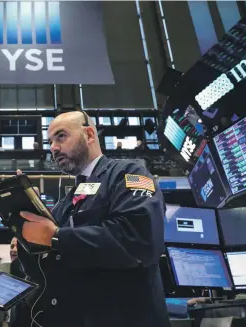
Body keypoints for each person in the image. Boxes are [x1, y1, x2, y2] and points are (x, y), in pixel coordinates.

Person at [17, 111, 170, 327]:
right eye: (50, 141)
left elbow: (139, 239)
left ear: (89, 135)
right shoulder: (68, 200)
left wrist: (56, 236)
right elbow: (47, 266)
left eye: (61, 136)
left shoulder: (131, 174)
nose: (53, 147)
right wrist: (26, 240)